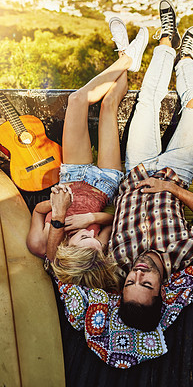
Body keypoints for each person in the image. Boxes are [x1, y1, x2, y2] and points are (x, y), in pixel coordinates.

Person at [106, 0, 193, 331]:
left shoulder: (117, 261)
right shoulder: (188, 253)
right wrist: (169, 188)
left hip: (137, 167)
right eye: (146, 285)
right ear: (162, 291)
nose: (139, 274)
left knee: (148, 99)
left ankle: (167, 39)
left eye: (131, 282)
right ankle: (186, 58)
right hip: (176, 172)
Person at [26, 24, 149, 293]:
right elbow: (114, 218)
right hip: (104, 183)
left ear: (69, 250)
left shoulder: (39, 244)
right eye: (95, 239)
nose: (92, 234)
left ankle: (126, 57)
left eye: (85, 238)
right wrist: (89, 217)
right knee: (108, 107)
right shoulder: (98, 250)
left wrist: (59, 204)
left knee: (77, 100)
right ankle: (127, 57)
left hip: (72, 174)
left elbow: (37, 210)